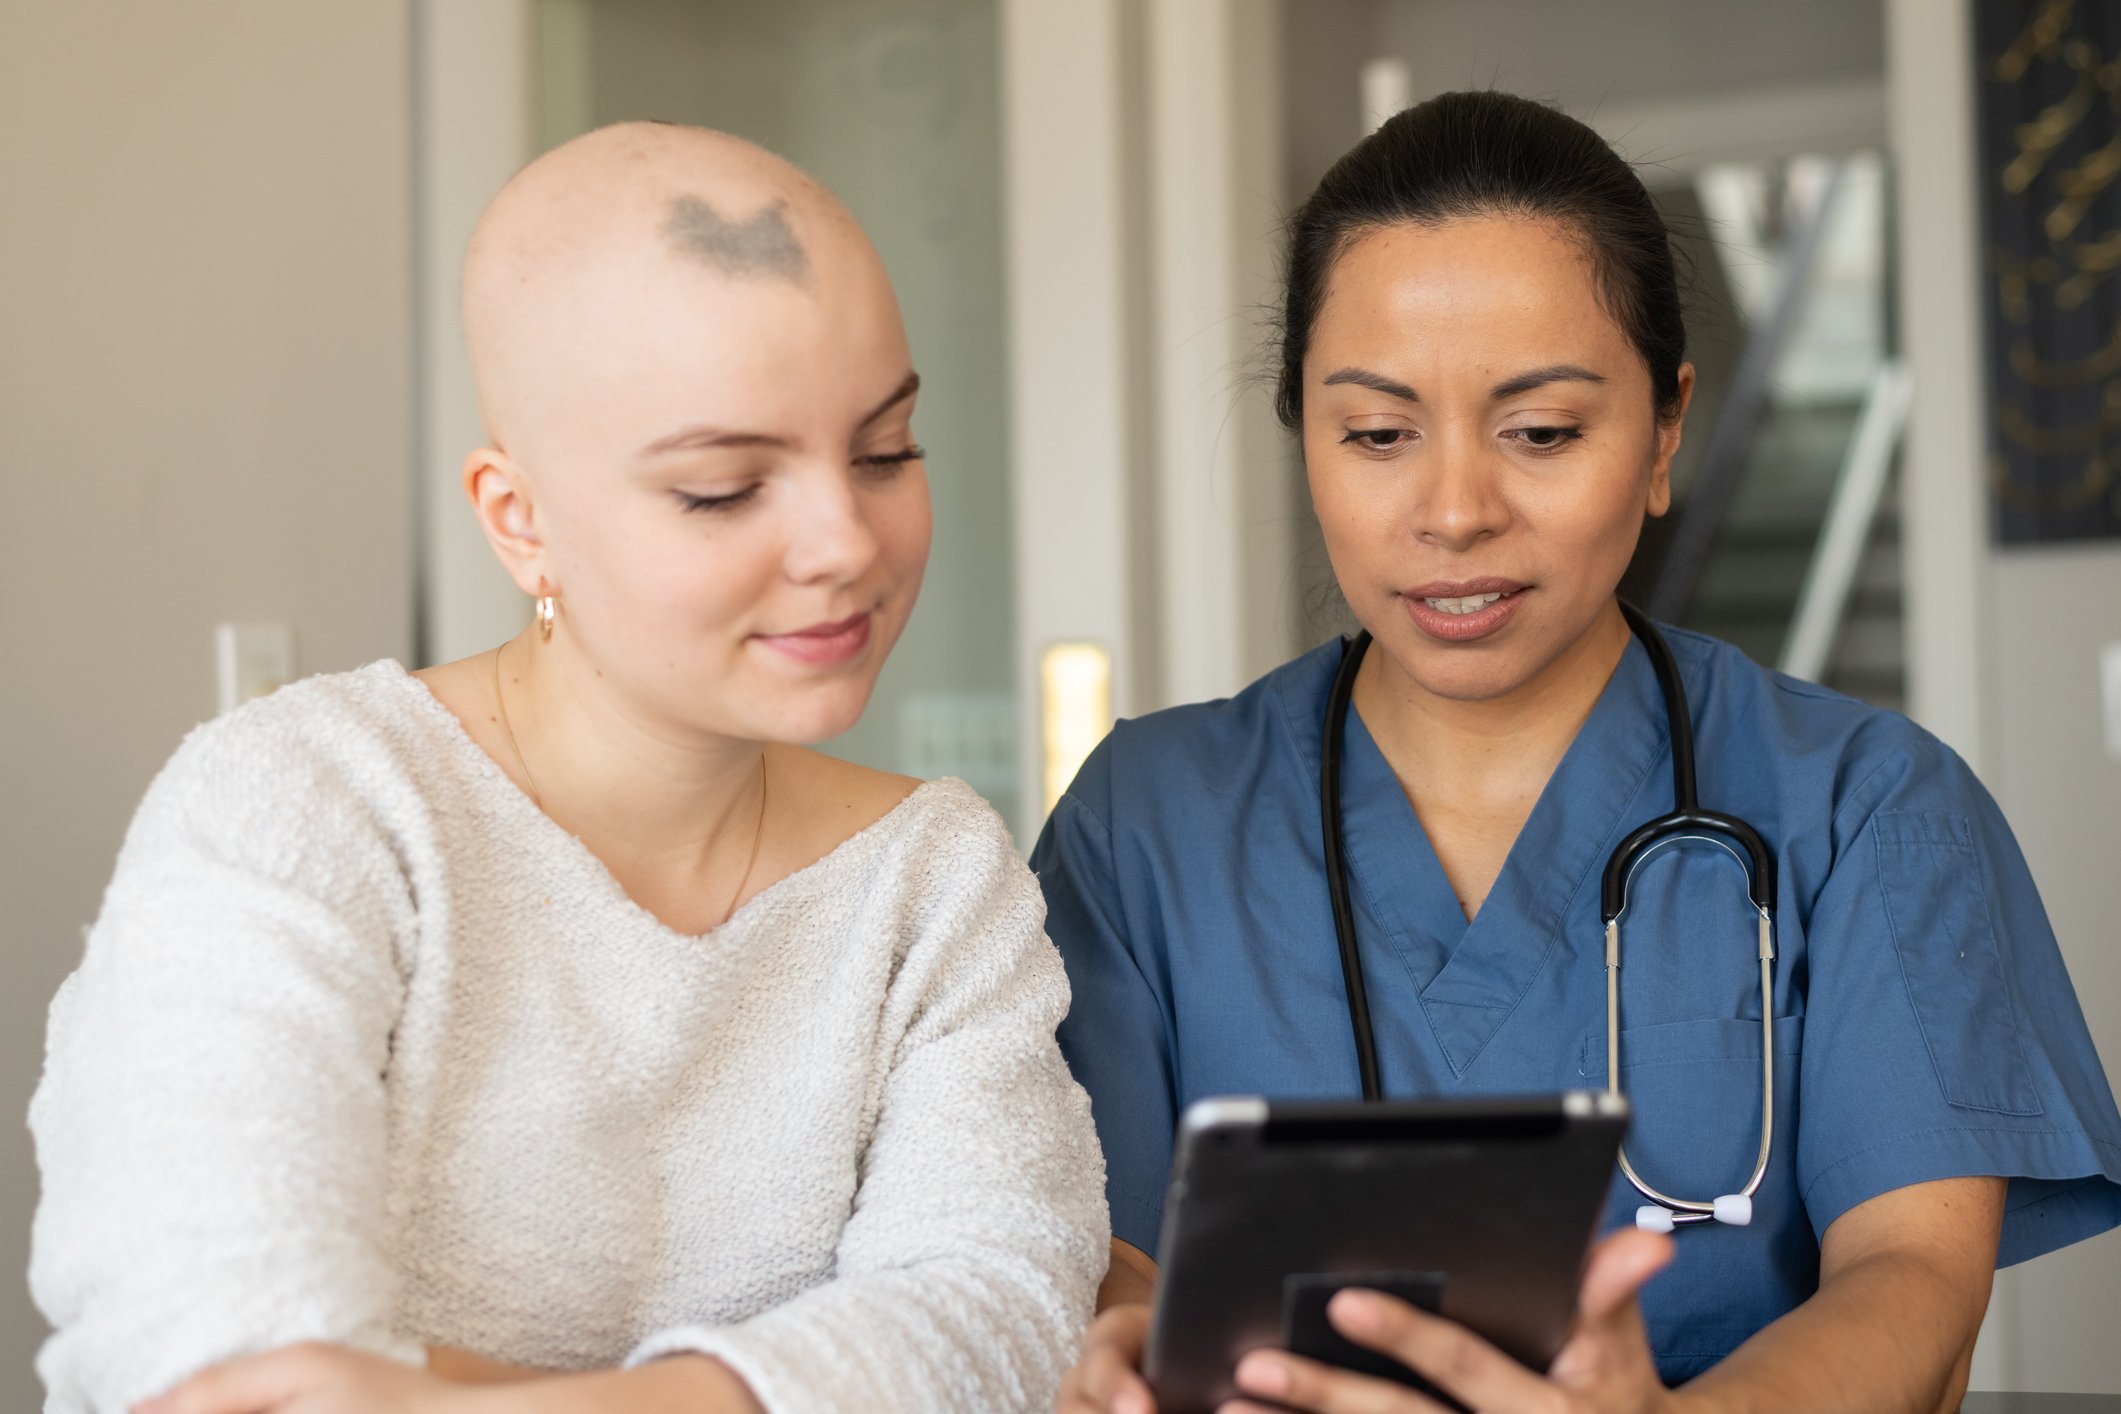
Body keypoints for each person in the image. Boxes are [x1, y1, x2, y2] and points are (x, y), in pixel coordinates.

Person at [1044, 91, 2121, 1414]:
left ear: (1665, 432)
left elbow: (1914, 1285)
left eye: (1540, 431)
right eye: (1377, 434)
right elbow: (1096, 1258)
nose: (1452, 512)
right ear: (1306, 437)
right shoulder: (1141, 827)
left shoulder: (1866, 806)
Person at [29, 122, 1106, 1414]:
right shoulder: (300, 806)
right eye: (723, 486)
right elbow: (214, 1358)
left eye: (886, 450)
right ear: (518, 520)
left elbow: (1005, 1316)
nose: (843, 540)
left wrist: (455, 1399)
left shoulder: (931, 875)